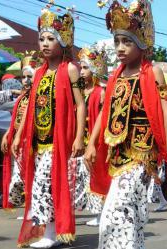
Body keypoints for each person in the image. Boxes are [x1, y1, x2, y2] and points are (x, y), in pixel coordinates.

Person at [85, 0, 167, 249]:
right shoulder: (115, 76)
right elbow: (105, 113)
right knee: (130, 208)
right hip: (117, 151)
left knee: (116, 209)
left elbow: (165, 108)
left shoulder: (151, 72)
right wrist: (92, 143)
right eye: (117, 41)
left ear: (142, 43)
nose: (120, 47)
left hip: (143, 152)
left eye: (126, 41)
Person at [12, 8, 86, 249]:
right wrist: (18, 135)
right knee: (41, 184)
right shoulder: (39, 73)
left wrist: (78, 137)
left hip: (59, 139)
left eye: (51, 38)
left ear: (63, 40)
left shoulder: (71, 69)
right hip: (38, 140)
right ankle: (50, 230)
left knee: (44, 182)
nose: (44, 43)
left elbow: (80, 105)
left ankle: (51, 233)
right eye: (42, 38)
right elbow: (31, 107)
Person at [73, 45, 108, 227]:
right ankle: (91, 211)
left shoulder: (100, 92)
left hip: (95, 142)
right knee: (83, 178)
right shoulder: (80, 92)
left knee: (96, 176)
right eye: (81, 67)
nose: (82, 71)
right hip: (81, 141)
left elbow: (102, 119)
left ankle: (101, 214)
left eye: (86, 67)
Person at [1, 52, 39, 209]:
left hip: (33, 142)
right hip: (19, 140)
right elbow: (16, 119)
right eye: (23, 77)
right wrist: (7, 133)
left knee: (32, 175)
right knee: (20, 175)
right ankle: (28, 207)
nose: (26, 80)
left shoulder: (37, 96)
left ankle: (34, 208)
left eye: (30, 76)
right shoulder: (22, 96)